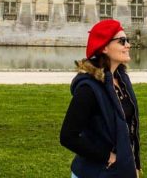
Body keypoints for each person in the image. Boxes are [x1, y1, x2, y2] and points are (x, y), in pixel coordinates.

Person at [60, 19, 141, 178]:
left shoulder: (121, 79)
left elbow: (129, 130)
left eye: (128, 40)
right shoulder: (88, 89)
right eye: (122, 41)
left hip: (119, 171)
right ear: (104, 47)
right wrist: (107, 157)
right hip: (95, 173)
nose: (128, 45)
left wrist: (133, 165)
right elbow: (68, 137)